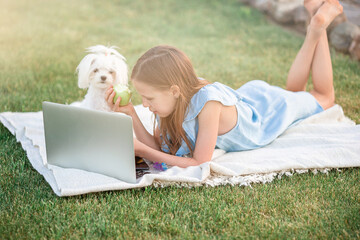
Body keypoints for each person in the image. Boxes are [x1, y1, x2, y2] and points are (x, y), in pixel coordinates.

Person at [105, 0, 343, 168]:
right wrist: (131, 114)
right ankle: (315, 17)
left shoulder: (208, 105)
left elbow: (200, 162)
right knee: (294, 92)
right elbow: (161, 146)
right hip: (251, 99)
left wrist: (143, 151)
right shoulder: (169, 100)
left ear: (173, 90)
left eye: (149, 98)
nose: (144, 104)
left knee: (323, 95)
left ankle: (316, 27)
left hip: (264, 115)